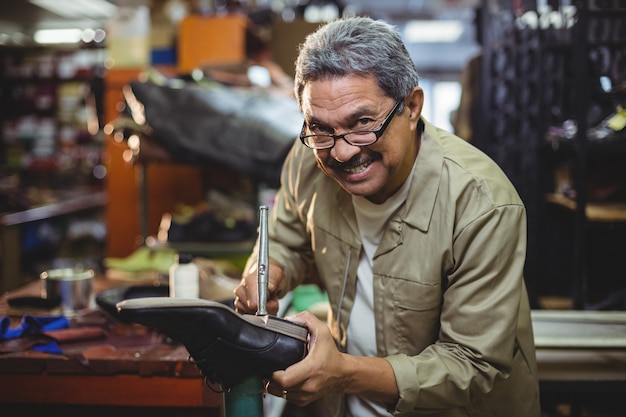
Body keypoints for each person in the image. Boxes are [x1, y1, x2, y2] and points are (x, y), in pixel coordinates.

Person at [234, 16, 540, 417]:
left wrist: (343, 373)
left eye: (362, 124)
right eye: (320, 128)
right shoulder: (308, 160)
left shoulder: (481, 205)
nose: (341, 152)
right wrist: (269, 271)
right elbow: (288, 238)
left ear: (412, 107)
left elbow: (472, 364)